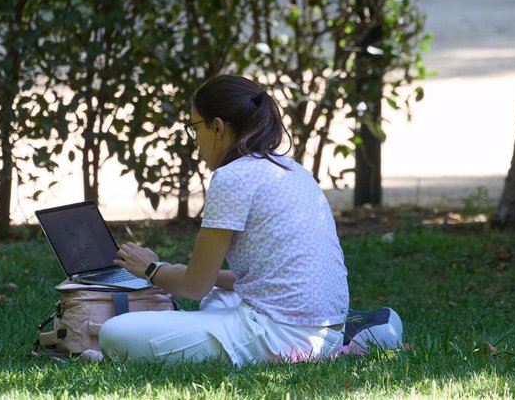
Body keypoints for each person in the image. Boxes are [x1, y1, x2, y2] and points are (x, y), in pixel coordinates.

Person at [99, 74, 349, 365]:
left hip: (283, 337)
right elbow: (255, 277)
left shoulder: (233, 177)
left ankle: (192, 336)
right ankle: (196, 334)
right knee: (218, 294)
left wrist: (152, 269)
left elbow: (194, 287)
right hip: (327, 332)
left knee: (114, 333)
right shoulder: (291, 169)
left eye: (195, 128)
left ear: (217, 127)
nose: (195, 142)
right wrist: (194, 273)